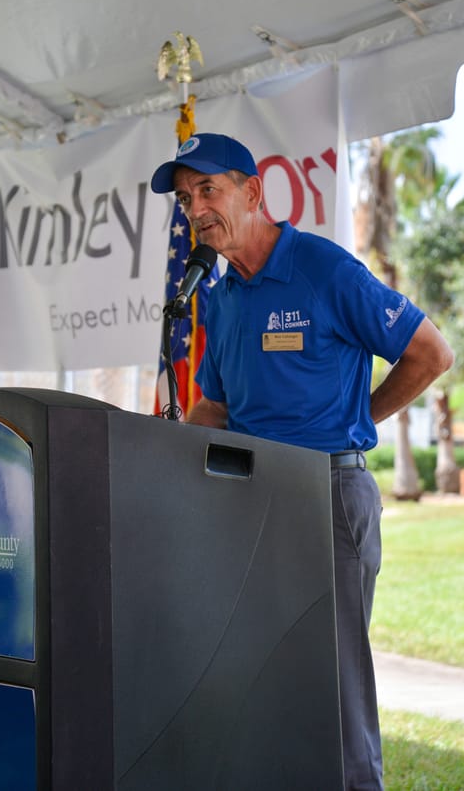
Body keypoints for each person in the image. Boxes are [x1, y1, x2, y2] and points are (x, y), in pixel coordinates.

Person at [151, 132, 454, 791]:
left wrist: (354, 421)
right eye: (185, 198)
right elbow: (216, 409)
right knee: (263, 679)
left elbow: (430, 353)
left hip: (327, 497)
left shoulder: (323, 268)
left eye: (208, 189)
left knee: (334, 688)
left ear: (252, 191)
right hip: (247, 506)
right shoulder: (221, 296)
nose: (195, 209)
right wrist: (156, 450)